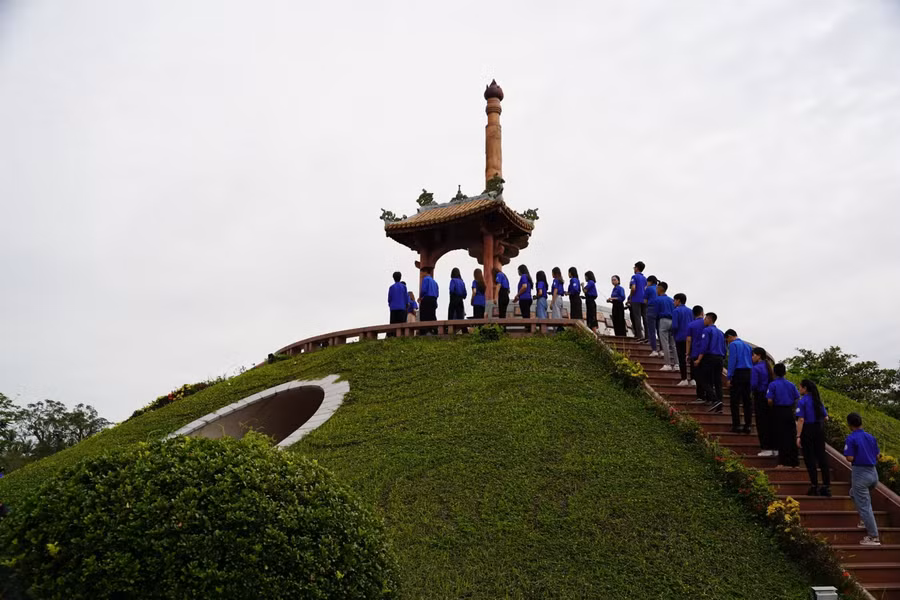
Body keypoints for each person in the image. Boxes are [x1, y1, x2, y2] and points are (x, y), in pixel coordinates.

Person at [844, 412, 882, 546]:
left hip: (860, 473)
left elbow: (849, 458)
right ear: (861, 422)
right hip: (873, 474)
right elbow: (878, 456)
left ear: (850, 424)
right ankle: (864, 520)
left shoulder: (851, 438)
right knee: (853, 493)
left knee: (865, 505)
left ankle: (873, 536)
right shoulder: (870, 437)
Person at [795, 379, 831, 497]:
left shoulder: (802, 401)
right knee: (822, 457)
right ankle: (826, 486)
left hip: (808, 430)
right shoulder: (817, 401)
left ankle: (814, 486)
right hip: (819, 429)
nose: (799, 389)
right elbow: (826, 418)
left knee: (809, 458)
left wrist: (798, 435)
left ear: (805, 388)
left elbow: (801, 419)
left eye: (800, 387)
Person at [766, 363, 801, 467]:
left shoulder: (772, 384)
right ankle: (795, 462)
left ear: (774, 372)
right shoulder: (791, 384)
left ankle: (782, 462)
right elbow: (797, 398)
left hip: (778, 411)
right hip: (789, 412)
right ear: (785, 372)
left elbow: (769, 400)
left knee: (780, 437)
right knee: (791, 436)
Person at [694, 312, 725, 413]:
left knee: (703, 380)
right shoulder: (721, 333)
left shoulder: (706, 330)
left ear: (709, 319)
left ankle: (714, 399)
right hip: (720, 358)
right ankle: (720, 405)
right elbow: (725, 348)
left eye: (705, 319)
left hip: (709, 357)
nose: (704, 320)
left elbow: (704, 346)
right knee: (718, 382)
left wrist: (699, 359)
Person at [725, 329, 753, 434]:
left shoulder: (733, 345)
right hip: (748, 373)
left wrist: (729, 377)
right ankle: (748, 425)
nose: (727, 342)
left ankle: (737, 425)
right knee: (747, 401)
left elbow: (732, 361)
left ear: (729, 336)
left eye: (727, 340)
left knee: (735, 401)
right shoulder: (747, 346)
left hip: (738, 373)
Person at [751, 347, 776, 456]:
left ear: (759, 356)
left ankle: (765, 448)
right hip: (768, 397)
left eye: (753, 355)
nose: (752, 357)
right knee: (770, 422)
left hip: (760, 397)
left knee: (761, 423)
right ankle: (773, 448)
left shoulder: (756, 368)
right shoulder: (768, 367)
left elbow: (753, 385)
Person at [655, 282, 677, 371]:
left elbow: (656, 313)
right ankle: (676, 364)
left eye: (657, 288)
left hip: (663, 320)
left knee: (665, 343)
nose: (656, 290)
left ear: (660, 289)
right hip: (672, 321)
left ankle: (667, 364)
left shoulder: (658, 299)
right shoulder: (671, 300)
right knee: (673, 344)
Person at [671, 293, 692, 385]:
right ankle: (693, 379)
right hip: (690, 338)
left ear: (678, 300)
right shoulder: (690, 311)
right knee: (690, 358)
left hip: (680, 337)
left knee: (681, 358)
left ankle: (684, 379)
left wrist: (673, 334)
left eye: (674, 300)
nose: (673, 302)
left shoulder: (676, 311)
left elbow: (675, 326)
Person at [685, 305, 705, 396]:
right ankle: (709, 396)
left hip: (695, 352)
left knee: (698, 375)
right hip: (707, 353)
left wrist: (687, 353)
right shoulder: (707, 324)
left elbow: (689, 340)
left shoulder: (691, 325)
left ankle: (700, 396)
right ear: (702, 313)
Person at [628, 262, 647, 340]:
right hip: (644, 299)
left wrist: (630, 297)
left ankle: (639, 336)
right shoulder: (645, 278)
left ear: (637, 268)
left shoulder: (634, 277)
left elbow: (633, 288)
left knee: (637, 317)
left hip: (636, 299)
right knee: (645, 317)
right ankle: (647, 336)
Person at [418, 267, 439, 334]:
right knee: (432, 315)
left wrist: (420, 297)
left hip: (427, 299)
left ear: (425, 272)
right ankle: (435, 330)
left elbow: (423, 290)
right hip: (434, 299)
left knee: (424, 315)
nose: (421, 274)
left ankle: (424, 331)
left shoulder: (425, 279)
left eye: (422, 272)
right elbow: (437, 293)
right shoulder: (434, 282)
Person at [644, 276, 659, 356]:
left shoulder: (648, 289)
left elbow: (645, 301)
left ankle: (654, 350)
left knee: (652, 331)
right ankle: (662, 350)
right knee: (659, 330)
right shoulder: (658, 288)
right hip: (659, 310)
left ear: (650, 282)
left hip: (651, 310)